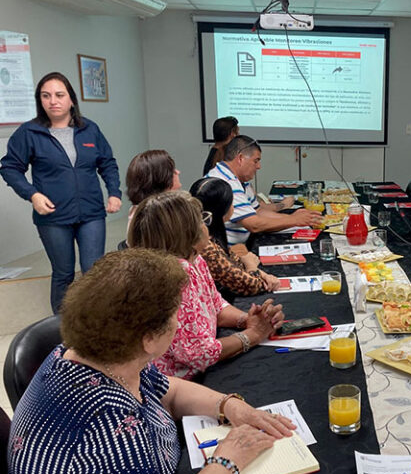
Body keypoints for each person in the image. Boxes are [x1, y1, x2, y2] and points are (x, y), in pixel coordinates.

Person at [6, 248, 296, 474]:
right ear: (149, 338)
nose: (179, 321)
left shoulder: (107, 355)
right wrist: (228, 459)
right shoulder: (103, 417)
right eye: (176, 314)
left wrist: (228, 405)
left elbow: (171, 391)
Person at [128, 190, 284, 380]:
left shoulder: (195, 260)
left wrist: (246, 320)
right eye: (201, 220)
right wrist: (253, 335)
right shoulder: (174, 278)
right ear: (186, 233)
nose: (205, 226)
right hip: (174, 385)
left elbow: (215, 305)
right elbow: (199, 353)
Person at [0, 72, 122, 313]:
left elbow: (107, 162)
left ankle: (96, 324)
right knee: (63, 273)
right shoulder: (29, 132)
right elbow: (9, 168)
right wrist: (32, 194)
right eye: (46, 96)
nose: (52, 101)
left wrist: (114, 192)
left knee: (93, 270)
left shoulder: (89, 129)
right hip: (52, 217)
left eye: (59, 95)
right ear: (40, 101)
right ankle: (61, 331)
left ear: (71, 100)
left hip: (91, 213)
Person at [206, 135, 320, 244]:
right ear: (240, 158)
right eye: (256, 161)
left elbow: (258, 211)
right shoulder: (227, 183)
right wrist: (294, 220)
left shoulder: (238, 180)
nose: (259, 166)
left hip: (244, 243)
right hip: (229, 251)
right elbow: (254, 224)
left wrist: (294, 218)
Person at [190, 177, 280, 300]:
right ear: (222, 210)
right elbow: (250, 286)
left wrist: (263, 274)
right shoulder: (206, 247)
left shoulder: (210, 234)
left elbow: (234, 262)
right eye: (231, 203)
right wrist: (252, 267)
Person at [125, 149, 181, 219]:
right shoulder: (156, 219)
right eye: (172, 170)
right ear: (161, 178)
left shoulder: (140, 213)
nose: (178, 172)